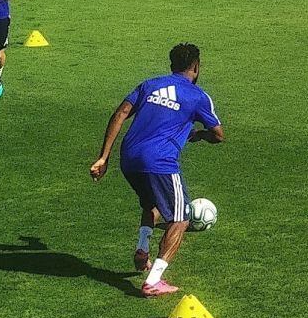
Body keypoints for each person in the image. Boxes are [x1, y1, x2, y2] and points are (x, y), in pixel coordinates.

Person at [89, 43, 224, 298]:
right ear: (196, 67)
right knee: (181, 218)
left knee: (152, 204)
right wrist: (199, 135)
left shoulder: (150, 85)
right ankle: (153, 280)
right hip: (160, 162)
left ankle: (142, 251)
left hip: (129, 158)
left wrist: (103, 158)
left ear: (172, 65)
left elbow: (121, 112)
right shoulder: (197, 96)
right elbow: (218, 135)